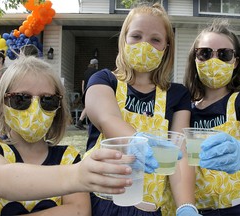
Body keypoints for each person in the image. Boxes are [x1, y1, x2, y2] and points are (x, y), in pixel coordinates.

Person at [84, 3, 199, 216]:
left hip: (155, 209)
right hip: (106, 203)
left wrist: (186, 205)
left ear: (166, 48)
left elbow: (180, 152)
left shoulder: (178, 94)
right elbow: (107, 119)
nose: (144, 45)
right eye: (136, 36)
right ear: (124, 39)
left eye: (155, 39)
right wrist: (137, 140)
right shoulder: (104, 80)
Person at [0, 56, 137, 215]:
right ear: (2, 103)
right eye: (21, 99)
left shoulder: (68, 158)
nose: (35, 109)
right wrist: (77, 176)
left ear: (58, 109)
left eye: (47, 100)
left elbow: (79, 210)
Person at [184, 19, 240, 215]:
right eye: (205, 53)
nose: (213, 60)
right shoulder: (184, 108)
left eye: (224, 54)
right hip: (198, 209)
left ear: (235, 62)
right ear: (195, 59)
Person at [75, 58, 99, 130]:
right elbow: (96, 82)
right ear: (96, 65)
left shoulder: (85, 72)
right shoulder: (96, 72)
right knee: (90, 107)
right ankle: (80, 122)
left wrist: (83, 92)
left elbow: (83, 83)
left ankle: (81, 122)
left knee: (89, 107)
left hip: (86, 91)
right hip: (93, 90)